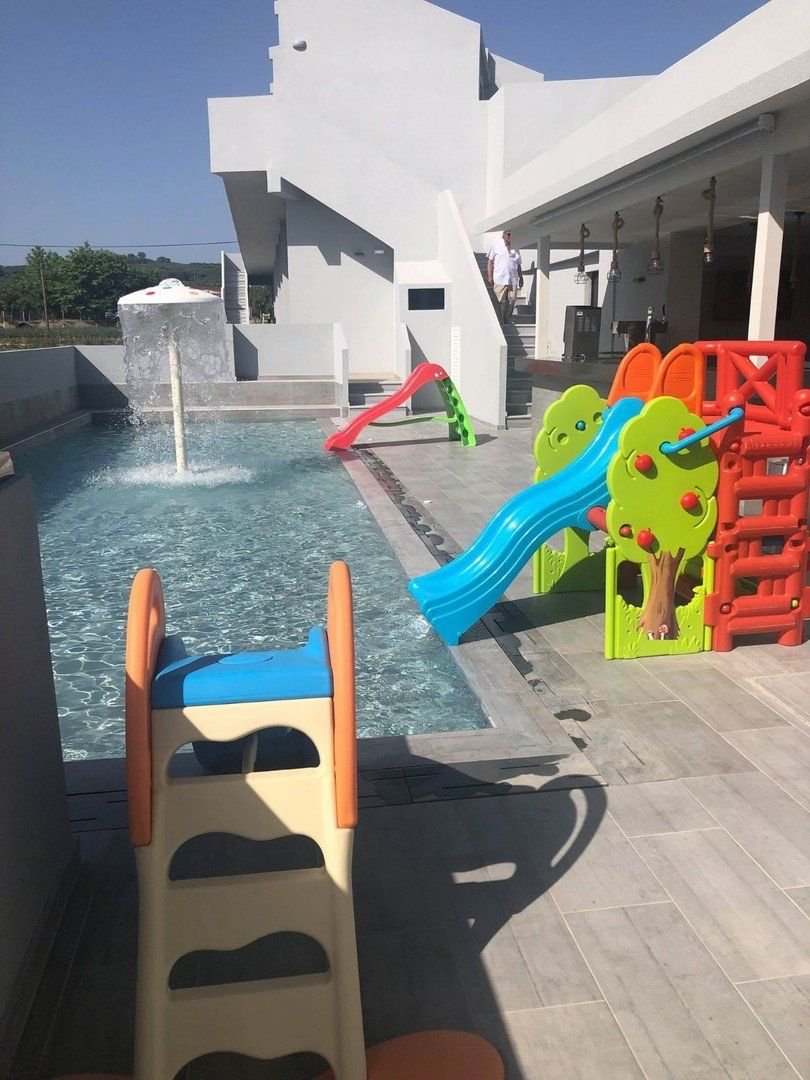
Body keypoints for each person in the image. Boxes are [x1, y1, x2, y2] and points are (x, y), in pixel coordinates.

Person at [486, 229, 523, 323]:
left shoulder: (516, 248)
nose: (509, 236)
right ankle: (500, 320)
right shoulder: (496, 244)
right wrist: (490, 276)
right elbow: (490, 261)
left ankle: (507, 318)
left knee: (512, 299)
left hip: (512, 279)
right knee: (500, 301)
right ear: (503, 235)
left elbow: (518, 264)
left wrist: (521, 277)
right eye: (508, 234)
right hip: (500, 278)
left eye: (510, 234)